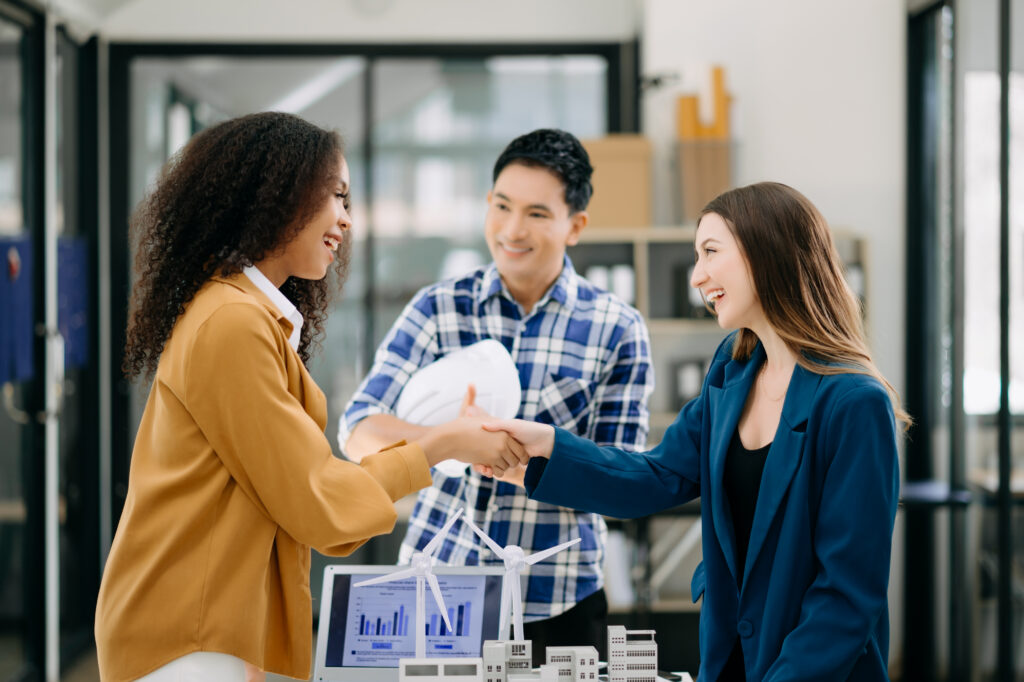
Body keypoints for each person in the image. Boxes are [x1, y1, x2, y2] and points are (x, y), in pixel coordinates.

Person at [94, 112, 526, 682]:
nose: (347, 220)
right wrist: (442, 442)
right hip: (188, 633)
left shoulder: (246, 316)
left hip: (208, 625)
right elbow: (316, 498)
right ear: (276, 195)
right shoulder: (232, 325)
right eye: (337, 196)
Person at [482, 182, 909, 680]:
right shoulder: (731, 370)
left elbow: (845, 598)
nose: (698, 275)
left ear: (768, 253)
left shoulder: (855, 404)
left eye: (710, 252)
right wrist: (550, 449)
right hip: (728, 660)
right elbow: (656, 476)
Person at [339, 128, 654, 663]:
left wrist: (521, 457)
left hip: (559, 601)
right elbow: (359, 430)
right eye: (502, 206)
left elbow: (623, 481)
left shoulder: (617, 328)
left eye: (536, 213)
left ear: (575, 226)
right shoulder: (439, 308)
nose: (512, 229)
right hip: (439, 587)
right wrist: (455, 442)